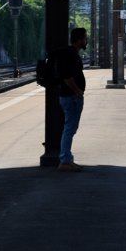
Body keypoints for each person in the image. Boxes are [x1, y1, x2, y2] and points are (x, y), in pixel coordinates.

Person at [57, 27, 88, 172]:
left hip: (71, 96)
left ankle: (67, 159)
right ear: (79, 39)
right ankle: (65, 160)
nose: (86, 40)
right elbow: (67, 76)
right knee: (69, 128)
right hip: (71, 97)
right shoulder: (70, 54)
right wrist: (77, 91)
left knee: (70, 128)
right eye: (85, 38)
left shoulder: (71, 53)